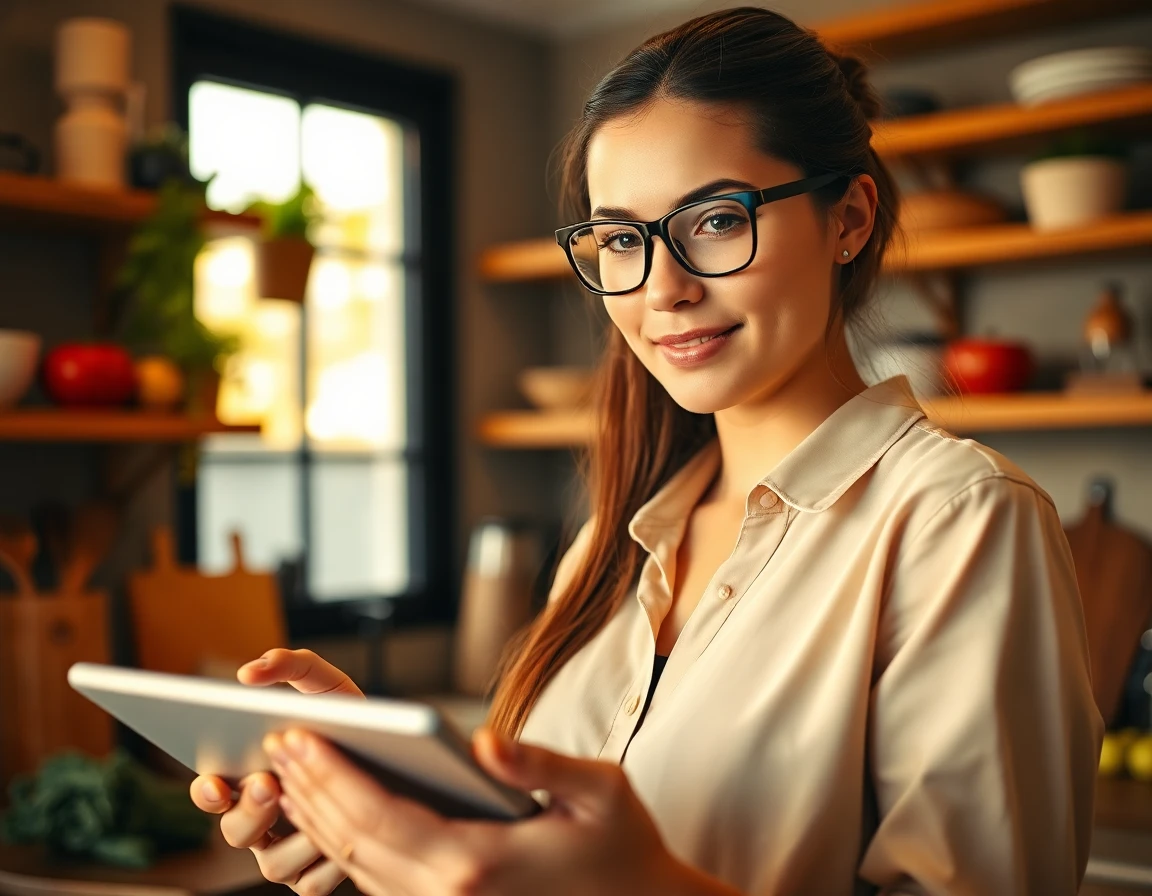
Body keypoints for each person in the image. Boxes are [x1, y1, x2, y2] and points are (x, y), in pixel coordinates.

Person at [191, 8, 1103, 894]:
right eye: (622, 238)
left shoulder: (960, 523)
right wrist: (397, 810)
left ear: (849, 219)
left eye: (714, 219)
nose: (661, 288)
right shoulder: (603, 550)